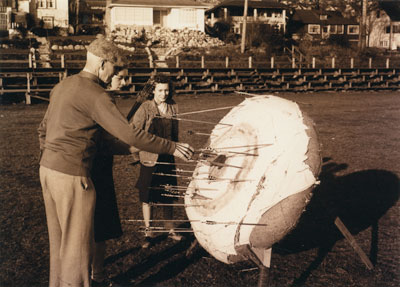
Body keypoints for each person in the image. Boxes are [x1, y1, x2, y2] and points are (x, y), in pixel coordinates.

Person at [38, 36, 193, 287]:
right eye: (113, 68)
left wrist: (51, 159)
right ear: (102, 64)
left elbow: (44, 131)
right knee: (77, 249)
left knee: (61, 243)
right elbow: (130, 132)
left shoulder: (63, 86)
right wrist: (171, 147)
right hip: (72, 176)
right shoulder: (97, 94)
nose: (113, 76)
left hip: (48, 171)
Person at [131, 74, 183, 249]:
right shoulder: (145, 107)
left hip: (167, 157)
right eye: (160, 90)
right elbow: (134, 131)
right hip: (149, 158)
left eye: (167, 90)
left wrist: (176, 148)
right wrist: (137, 155)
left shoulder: (173, 106)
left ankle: (170, 228)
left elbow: (175, 133)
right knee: (148, 197)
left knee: (167, 194)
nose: (164, 93)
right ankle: (148, 231)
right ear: (153, 90)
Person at [90, 68, 131, 287]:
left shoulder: (106, 99)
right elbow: (108, 141)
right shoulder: (101, 100)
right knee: (97, 226)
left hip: (103, 168)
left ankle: (96, 273)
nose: (125, 82)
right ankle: (95, 276)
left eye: (127, 77)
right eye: (121, 77)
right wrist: (133, 146)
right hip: (93, 169)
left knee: (100, 228)